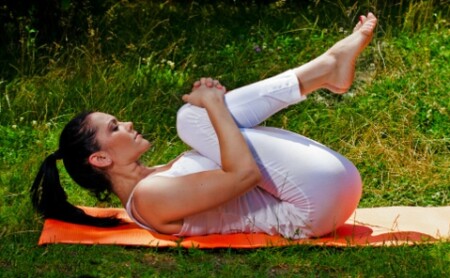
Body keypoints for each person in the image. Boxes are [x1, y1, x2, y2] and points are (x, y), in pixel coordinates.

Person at [31, 13, 377, 238]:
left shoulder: (156, 180)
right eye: (114, 128)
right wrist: (212, 105)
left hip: (324, 191)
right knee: (193, 119)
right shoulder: (149, 200)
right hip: (312, 206)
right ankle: (325, 69)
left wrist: (216, 112)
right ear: (101, 159)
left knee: (198, 121)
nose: (128, 123)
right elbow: (244, 176)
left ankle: (327, 70)